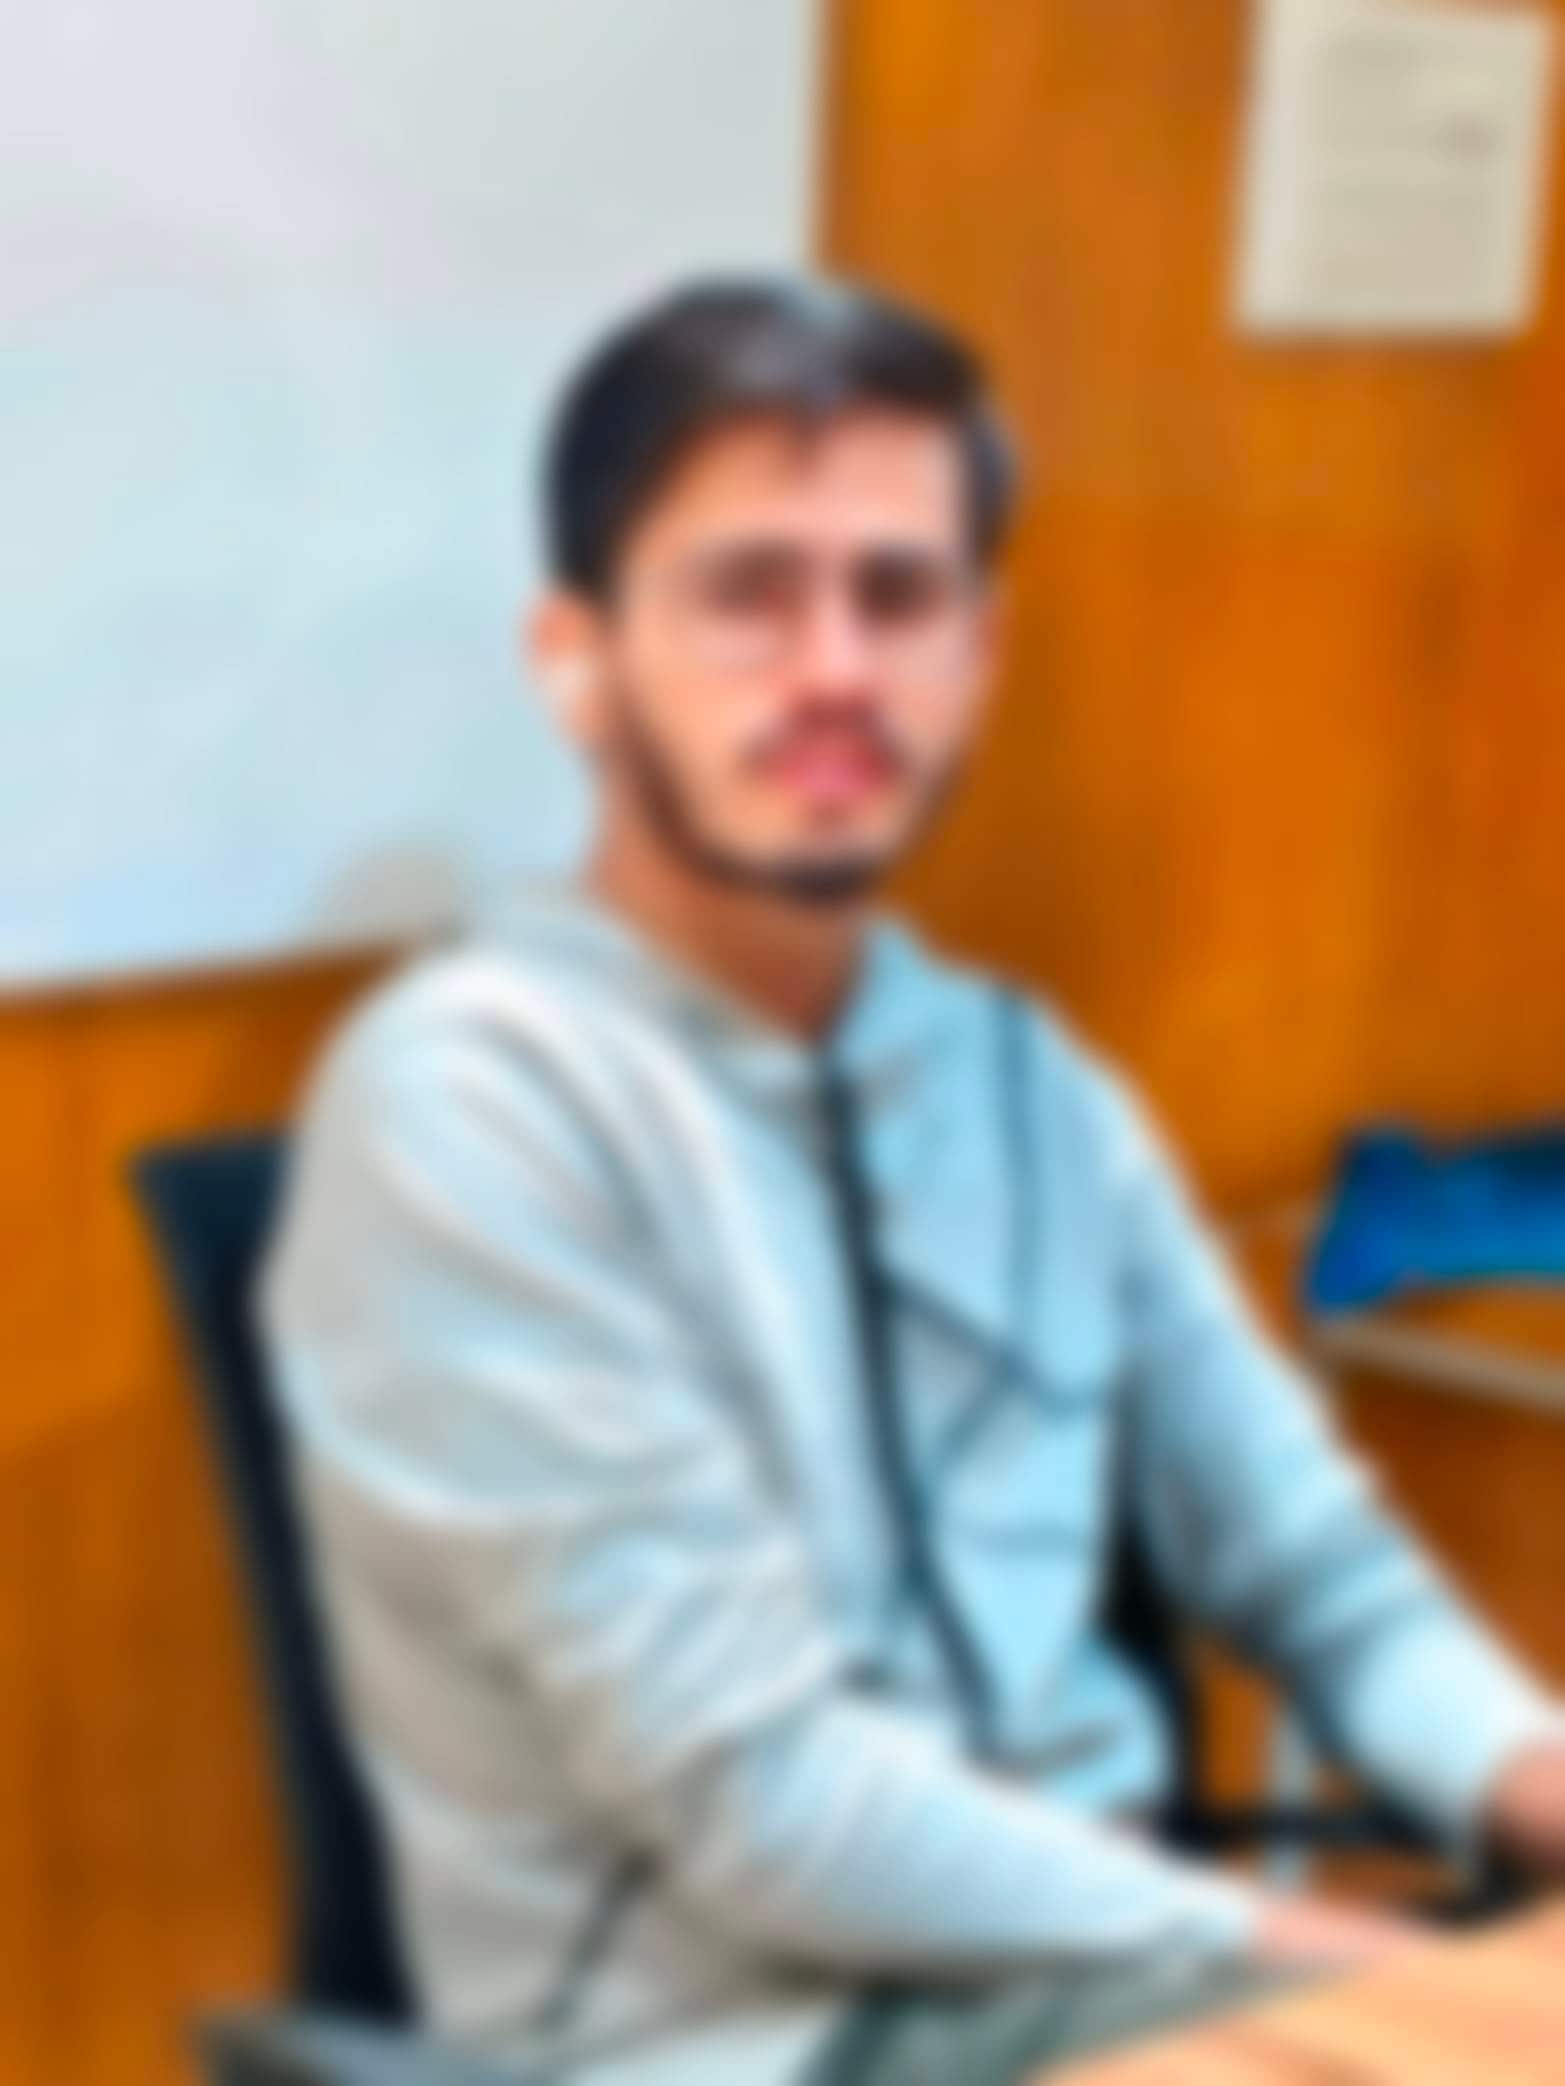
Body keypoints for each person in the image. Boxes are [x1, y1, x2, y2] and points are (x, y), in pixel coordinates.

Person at [260, 277, 1565, 2086]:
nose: (834, 669)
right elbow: (774, 1810)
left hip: (1117, 1973)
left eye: (896, 593)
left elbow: (1318, 1570)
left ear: (979, 652)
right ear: (577, 659)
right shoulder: (470, 1108)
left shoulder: (1027, 1083)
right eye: (746, 592)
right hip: (732, 2040)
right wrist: (1386, 1983)